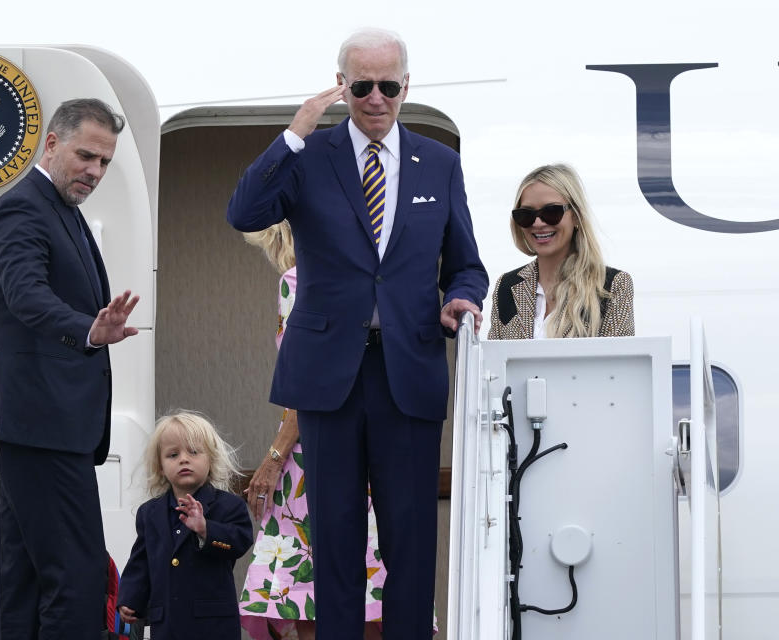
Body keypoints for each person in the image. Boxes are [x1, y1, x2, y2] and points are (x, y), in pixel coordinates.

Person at [227, 28, 488, 639]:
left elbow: (467, 264)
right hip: (328, 375)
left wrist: (461, 299)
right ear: (343, 84)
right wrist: (294, 133)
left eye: (388, 86)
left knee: (410, 539)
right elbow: (243, 212)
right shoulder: (309, 157)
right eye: (362, 85)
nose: (376, 98)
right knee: (337, 541)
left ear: (406, 87)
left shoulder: (439, 163)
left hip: (409, 369)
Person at [0, 98, 140, 639]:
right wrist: (90, 330)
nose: (95, 172)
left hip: (47, 429)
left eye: (104, 163)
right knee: (76, 577)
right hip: (41, 426)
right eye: (86, 156)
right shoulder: (22, 208)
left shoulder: (61, 210)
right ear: (51, 143)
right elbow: (26, 296)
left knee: (25, 581)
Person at [239, 222, 385, 640]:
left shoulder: (298, 281)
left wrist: (272, 459)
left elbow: (305, 385)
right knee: (370, 594)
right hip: (374, 449)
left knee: (311, 597)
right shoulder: (369, 277)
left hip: (316, 459)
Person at [117, 411, 253, 639]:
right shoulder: (150, 513)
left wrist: (205, 529)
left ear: (210, 460)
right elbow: (140, 561)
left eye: (193, 452)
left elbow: (240, 541)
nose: (183, 459)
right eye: (172, 454)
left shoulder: (229, 505)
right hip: (167, 624)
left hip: (213, 626)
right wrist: (130, 597)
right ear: (160, 467)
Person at [487, 164, 634, 339]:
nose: (538, 223)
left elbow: (618, 363)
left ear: (576, 216)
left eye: (551, 212)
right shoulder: (506, 286)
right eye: (526, 214)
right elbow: (494, 362)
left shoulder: (611, 286)